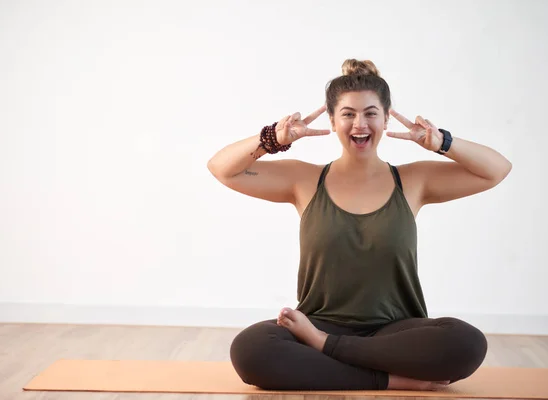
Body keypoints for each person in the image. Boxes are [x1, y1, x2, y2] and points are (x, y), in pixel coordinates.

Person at [207, 59, 512, 392]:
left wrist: (442, 143)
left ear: (385, 117)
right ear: (333, 121)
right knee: (251, 350)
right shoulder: (304, 180)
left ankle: (327, 349)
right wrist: (273, 139)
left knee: (466, 343)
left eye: (370, 113)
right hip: (318, 321)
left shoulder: (412, 181)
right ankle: (390, 379)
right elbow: (223, 169)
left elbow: (497, 170)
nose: (359, 124)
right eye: (348, 114)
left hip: (396, 332)